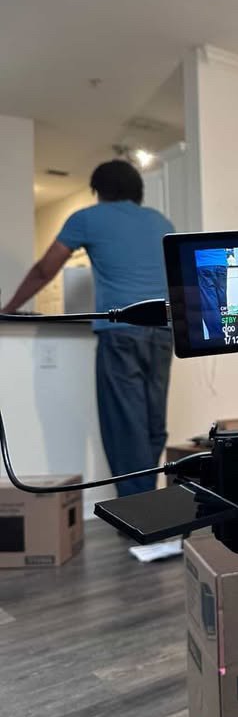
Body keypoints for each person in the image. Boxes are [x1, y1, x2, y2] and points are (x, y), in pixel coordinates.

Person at [1, 159, 175, 497]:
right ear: (137, 190)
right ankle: (149, 503)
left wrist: (7, 309)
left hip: (122, 331)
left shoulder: (87, 218)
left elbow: (45, 270)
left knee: (126, 427)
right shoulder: (160, 221)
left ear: (99, 191)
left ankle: (140, 510)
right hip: (164, 331)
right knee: (153, 424)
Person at [196, 248, 231, 340]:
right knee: (222, 303)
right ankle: (224, 336)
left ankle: (218, 339)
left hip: (203, 263)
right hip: (221, 263)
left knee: (210, 305)